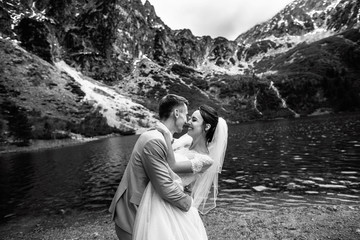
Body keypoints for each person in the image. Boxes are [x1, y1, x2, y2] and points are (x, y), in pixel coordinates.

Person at [133, 105, 228, 240]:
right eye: (189, 118)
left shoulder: (206, 160)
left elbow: (173, 166)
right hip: (159, 193)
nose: (188, 122)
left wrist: (166, 133)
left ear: (206, 127)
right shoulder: (185, 141)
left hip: (172, 202)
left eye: (194, 120)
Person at [109, 94, 193, 240]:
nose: (186, 120)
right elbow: (165, 186)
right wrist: (189, 203)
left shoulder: (159, 137)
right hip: (132, 214)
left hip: (145, 210)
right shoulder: (155, 140)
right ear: (176, 113)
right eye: (186, 114)